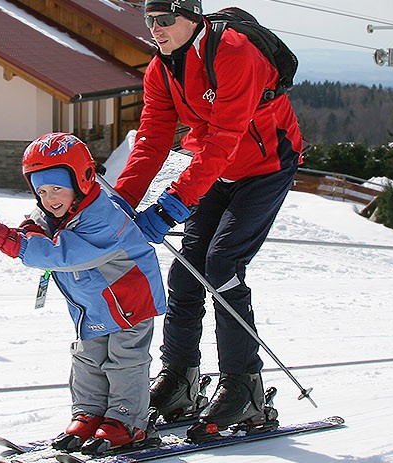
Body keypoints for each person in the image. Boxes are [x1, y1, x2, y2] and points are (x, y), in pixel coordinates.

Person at [113, 0, 305, 438]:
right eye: (150, 21)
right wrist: (122, 201)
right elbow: (152, 139)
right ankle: (180, 380)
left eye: (165, 20)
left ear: (193, 17)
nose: (156, 29)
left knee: (221, 267)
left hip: (267, 164)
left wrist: (172, 205)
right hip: (215, 168)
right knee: (185, 272)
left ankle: (244, 386)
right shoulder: (161, 69)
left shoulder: (235, 53)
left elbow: (224, 139)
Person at [0, 133, 168, 454]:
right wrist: (27, 231)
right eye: (42, 191)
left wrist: (14, 242)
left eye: (57, 189)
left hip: (128, 301)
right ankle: (90, 413)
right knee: (87, 358)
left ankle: (127, 421)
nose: (50, 199)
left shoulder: (103, 219)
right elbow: (40, 228)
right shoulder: (55, 210)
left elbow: (62, 255)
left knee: (125, 361)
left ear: (82, 180)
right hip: (92, 303)